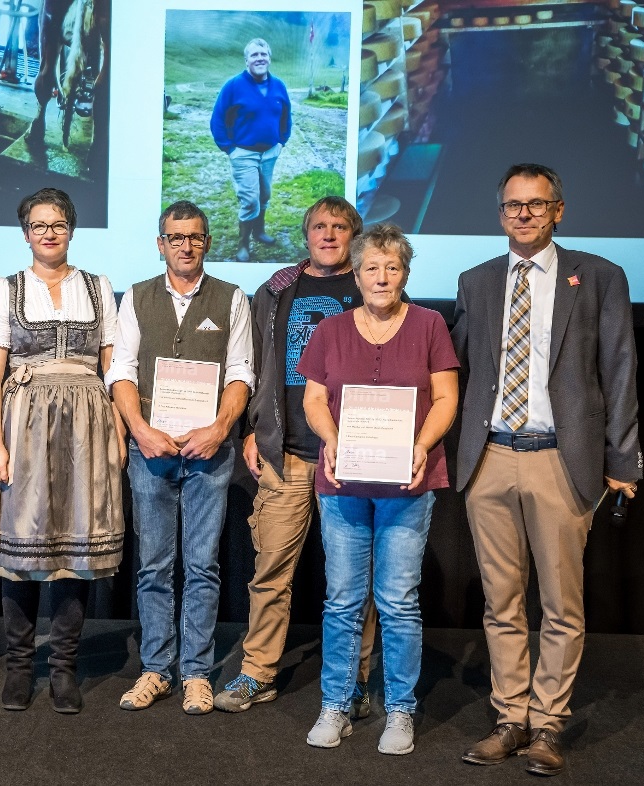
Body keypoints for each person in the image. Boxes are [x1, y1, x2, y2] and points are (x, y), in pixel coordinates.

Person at [453, 163, 641, 776]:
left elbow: (619, 372)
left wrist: (621, 458)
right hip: (491, 459)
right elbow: (455, 373)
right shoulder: (475, 282)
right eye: (514, 205)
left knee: (561, 604)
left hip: (562, 457)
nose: (525, 214)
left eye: (537, 204)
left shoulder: (600, 278)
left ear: (558, 210)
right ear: (500, 212)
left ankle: (549, 722)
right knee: (500, 602)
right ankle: (511, 718)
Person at [214, 196, 381, 715]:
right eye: (318, 227)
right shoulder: (277, 289)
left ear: (354, 234)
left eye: (339, 227)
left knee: (355, 578)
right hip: (284, 453)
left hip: (352, 456)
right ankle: (257, 673)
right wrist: (249, 428)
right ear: (305, 234)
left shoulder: (372, 285)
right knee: (270, 571)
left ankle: (355, 679)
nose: (328, 235)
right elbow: (251, 363)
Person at [297, 223, 459, 754]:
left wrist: (421, 445)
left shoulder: (431, 324)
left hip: (408, 483)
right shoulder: (331, 329)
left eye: (392, 267)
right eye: (372, 267)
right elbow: (314, 402)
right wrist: (333, 440)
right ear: (358, 274)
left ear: (405, 273)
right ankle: (337, 705)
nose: (382, 277)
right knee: (343, 600)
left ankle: (400, 711)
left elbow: (446, 399)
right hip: (343, 483)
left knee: (398, 600)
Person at [0, 187, 125, 715]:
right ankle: (20, 667)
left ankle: (63, 667)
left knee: (74, 552)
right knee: (22, 549)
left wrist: (120, 434)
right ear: (25, 233)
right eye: (39, 225)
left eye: (58, 223)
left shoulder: (98, 286)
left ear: (71, 229)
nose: (49, 232)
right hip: (25, 426)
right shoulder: (5, 289)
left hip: (88, 423)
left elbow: (113, 367)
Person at [108, 200, 255, 714]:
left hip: (209, 452)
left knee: (202, 566)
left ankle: (195, 672)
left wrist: (220, 429)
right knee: (152, 566)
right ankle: (155, 669)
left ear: (207, 242)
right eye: (176, 237)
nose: (186, 245)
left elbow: (240, 374)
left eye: (195, 237)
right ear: (160, 244)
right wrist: (140, 431)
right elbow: (121, 372)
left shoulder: (232, 298)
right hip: (150, 450)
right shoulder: (137, 298)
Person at [210, 37, 292, 262]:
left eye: (263, 54)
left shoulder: (279, 86)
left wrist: (282, 141)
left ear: (269, 58)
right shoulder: (233, 86)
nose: (260, 58)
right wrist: (229, 148)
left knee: (264, 194)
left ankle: (259, 232)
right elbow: (217, 119)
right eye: (254, 55)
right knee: (250, 199)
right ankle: (243, 244)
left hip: (270, 152)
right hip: (243, 153)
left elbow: (286, 115)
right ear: (246, 60)